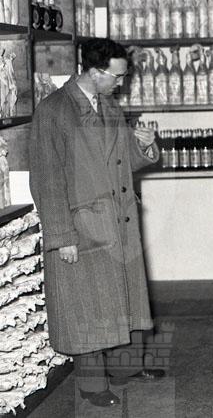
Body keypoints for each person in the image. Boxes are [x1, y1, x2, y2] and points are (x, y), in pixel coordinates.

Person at [29, 38, 164, 408]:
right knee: (87, 306)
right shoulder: (53, 111)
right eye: (117, 77)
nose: (121, 83)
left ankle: (125, 369)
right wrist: (62, 236)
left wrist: (144, 146)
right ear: (93, 71)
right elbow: (46, 179)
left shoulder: (108, 106)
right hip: (81, 226)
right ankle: (91, 385)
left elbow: (122, 162)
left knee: (121, 299)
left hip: (117, 220)